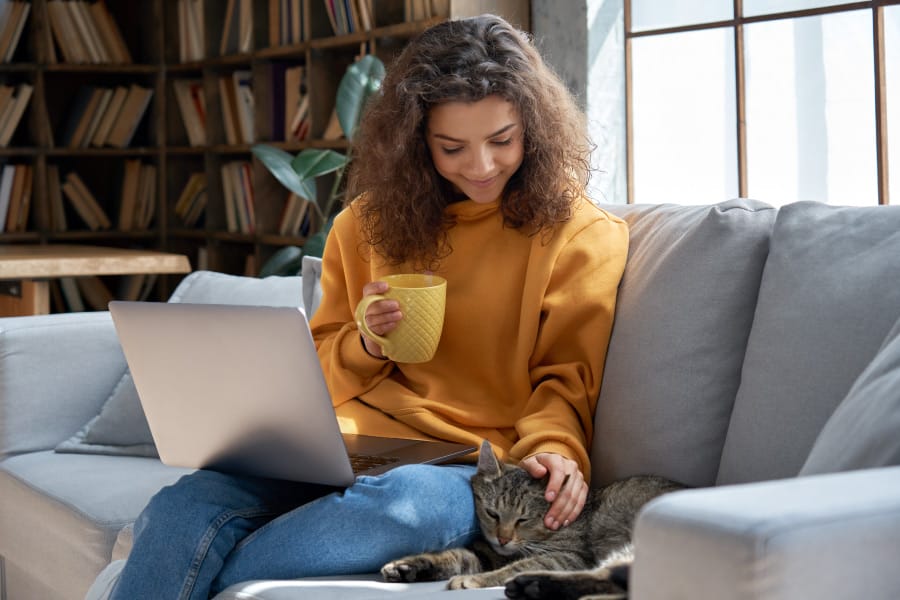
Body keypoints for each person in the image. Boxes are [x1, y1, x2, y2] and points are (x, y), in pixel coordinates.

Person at [92, 13, 629, 600]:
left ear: (535, 126)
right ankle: (180, 557)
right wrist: (366, 344)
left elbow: (566, 378)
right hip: (343, 443)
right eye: (452, 147)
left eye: (502, 140)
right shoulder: (366, 223)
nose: (480, 166)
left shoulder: (580, 235)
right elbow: (316, 369)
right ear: (416, 142)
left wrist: (554, 452)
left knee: (405, 512)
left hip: (461, 466)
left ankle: (179, 571)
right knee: (184, 504)